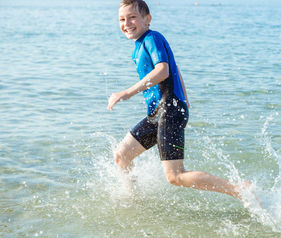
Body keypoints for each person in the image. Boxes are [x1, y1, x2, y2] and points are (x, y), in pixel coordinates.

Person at [108, 0, 252, 201]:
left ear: (147, 19)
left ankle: (239, 190)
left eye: (133, 17)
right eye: (122, 19)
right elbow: (175, 69)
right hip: (160, 112)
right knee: (121, 156)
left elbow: (163, 70)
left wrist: (128, 92)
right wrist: (185, 99)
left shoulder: (152, 38)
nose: (127, 23)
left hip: (169, 110)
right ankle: (134, 201)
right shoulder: (139, 45)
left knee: (175, 176)